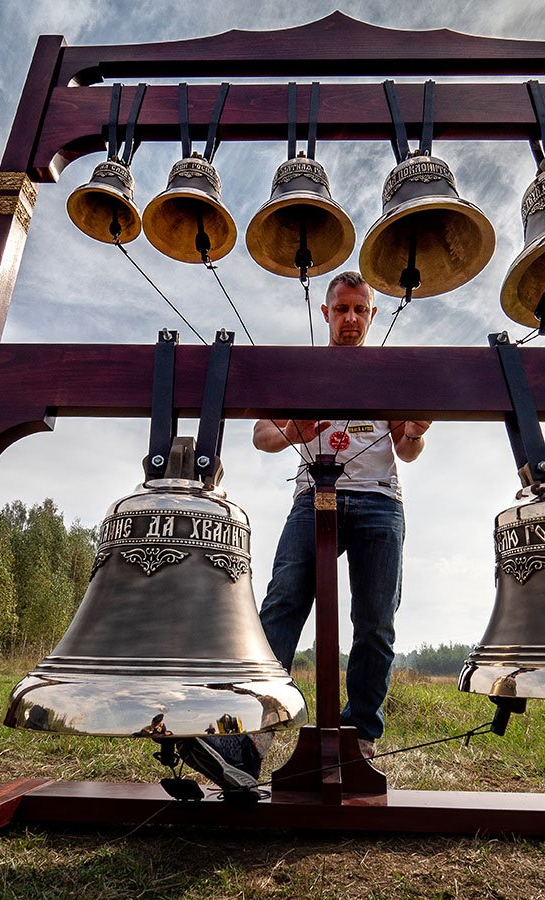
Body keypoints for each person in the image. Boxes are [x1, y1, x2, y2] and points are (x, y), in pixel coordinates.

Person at [174, 271, 431, 793]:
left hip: (381, 500)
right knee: (283, 603)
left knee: (376, 623)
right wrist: (299, 427)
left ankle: (359, 743)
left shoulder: (393, 372)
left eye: (361, 310)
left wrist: (414, 430)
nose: (352, 319)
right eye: (343, 310)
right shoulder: (300, 369)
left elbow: (407, 450)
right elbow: (262, 435)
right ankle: (246, 741)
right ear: (326, 313)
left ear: (373, 315)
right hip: (312, 496)